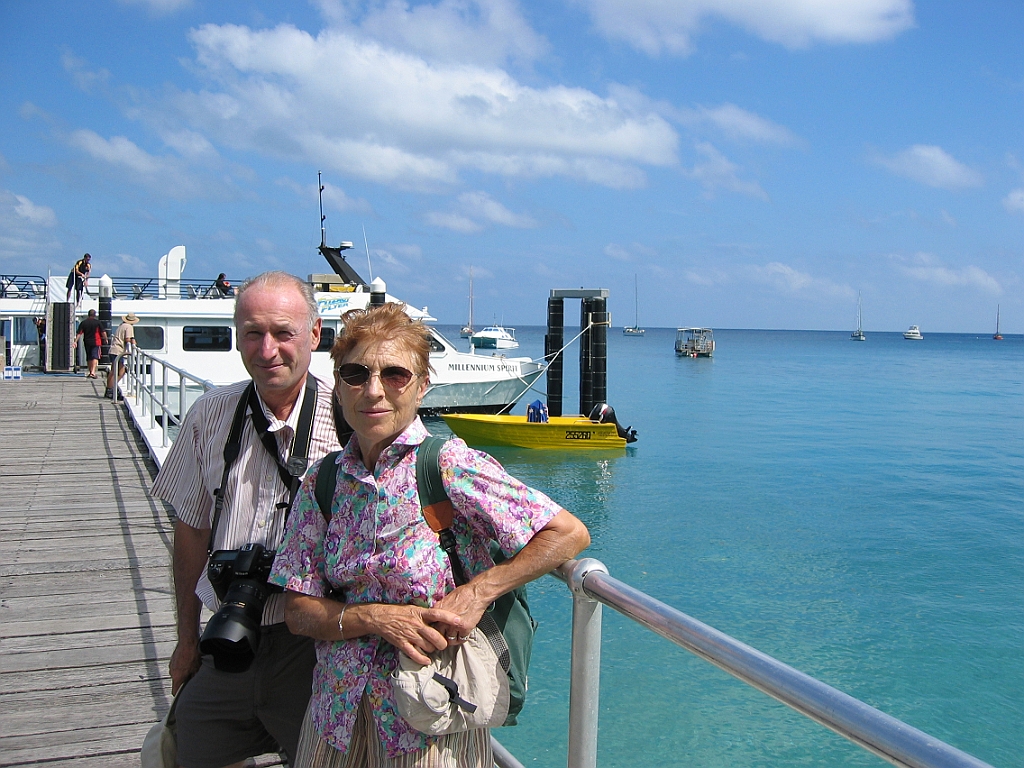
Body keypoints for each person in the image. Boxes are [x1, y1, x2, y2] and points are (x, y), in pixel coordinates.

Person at [269, 302, 591, 768]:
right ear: (338, 385)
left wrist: (480, 591)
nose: (374, 390)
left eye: (395, 374)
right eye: (356, 374)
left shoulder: (448, 465)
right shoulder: (323, 481)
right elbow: (298, 612)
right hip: (334, 718)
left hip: (428, 724)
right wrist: (375, 617)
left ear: (421, 385)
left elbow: (567, 533)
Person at [151, 271, 343, 768]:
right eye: (253, 333)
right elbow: (191, 532)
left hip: (316, 647)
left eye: (283, 332)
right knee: (184, 750)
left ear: (315, 335)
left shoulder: (348, 421)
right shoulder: (210, 414)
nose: (267, 349)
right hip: (229, 631)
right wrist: (186, 640)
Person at [105, 312, 139, 398]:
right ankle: (111, 389)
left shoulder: (121, 325)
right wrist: (133, 342)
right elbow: (127, 339)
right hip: (119, 351)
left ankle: (109, 389)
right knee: (120, 371)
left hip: (113, 349)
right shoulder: (129, 326)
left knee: (114, 371)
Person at [75, 309, 107, 379]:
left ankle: (90, 372)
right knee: (95, 357)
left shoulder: (84, 322)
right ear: (95, 315)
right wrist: (105, 339)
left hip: (87, 341)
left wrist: (75, 341)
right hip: (96, 341)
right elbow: (103, 332)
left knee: (89, 357)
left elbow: (79, 333)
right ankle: (93, 372)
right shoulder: (98, 323)